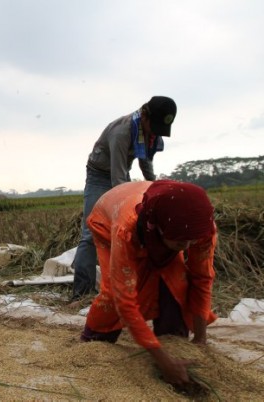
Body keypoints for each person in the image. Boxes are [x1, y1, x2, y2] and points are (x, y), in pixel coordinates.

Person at [80, 180, 217, 386]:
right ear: (159, 229)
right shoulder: (126, 229)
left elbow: (202, 279)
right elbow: (123, 298)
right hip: (109, 220)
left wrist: (200, 340)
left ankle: (172, 342)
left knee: (176, 284)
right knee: (114, 293)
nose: (187, 247)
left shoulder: (199, 228)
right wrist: (163, 361)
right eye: (181, 243)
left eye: (192, 241)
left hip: (162, 217)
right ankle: (94, 340)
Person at [71, 96, 177, 300]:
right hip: (100, 175)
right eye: (153, 126)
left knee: (124, 231)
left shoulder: (148, 133)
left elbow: (145, 163)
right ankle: (81, 292)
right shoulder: (122, 132)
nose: (154, 132)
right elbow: (118, 181)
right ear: (145, 116)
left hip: (120, 173)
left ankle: (126, 288)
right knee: (91, 232)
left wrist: (155, 189)